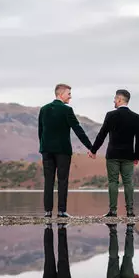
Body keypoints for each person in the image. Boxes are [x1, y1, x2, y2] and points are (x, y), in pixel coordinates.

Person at [38, 83, 94, 218]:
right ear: (60, 94)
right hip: (62, 150)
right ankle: (61, 211)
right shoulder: (66, 110)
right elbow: (78, 130)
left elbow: (41, 131)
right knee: (62, 180)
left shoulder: (44, 109)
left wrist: (43, 146)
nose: (70, 97)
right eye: (69, 94)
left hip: (46, 150)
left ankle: (48, 211)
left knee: (48, 180)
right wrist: (91, 147)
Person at [88, 89, 139, 217]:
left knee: (113, 181)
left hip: (113, 155)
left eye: (115, 98)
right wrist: (137, 156)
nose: (113, 101)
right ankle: (130, 211)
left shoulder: (111, 115)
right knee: (128, 181)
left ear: (120, 99)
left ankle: (113, 211)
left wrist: (93, 150)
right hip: (129, 155)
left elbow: (102, 134)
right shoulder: (136, 117)